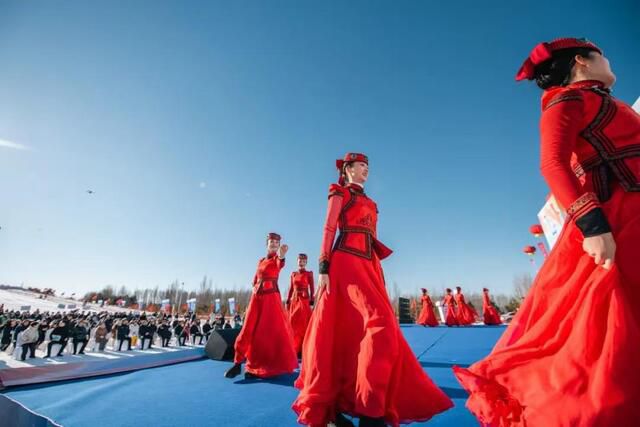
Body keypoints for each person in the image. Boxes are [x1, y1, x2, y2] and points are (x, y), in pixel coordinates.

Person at [454, 37, 640, 425]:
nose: (608, 58)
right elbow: (552, 164)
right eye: (601, 53)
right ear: (582, 61)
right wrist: (592, 225)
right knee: (599, 340)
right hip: (618, 219)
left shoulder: (608, 102)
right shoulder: (566, 100)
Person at [293, 153, 453, 427]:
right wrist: (323, 268)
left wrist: (379, 273)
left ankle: (357, 404)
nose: (366, 171)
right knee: (378, 323)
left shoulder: (371, 202)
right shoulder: (339, 193)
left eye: (368, 167)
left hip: (370, 266)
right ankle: (368, 411)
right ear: (348, 169)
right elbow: (329, 228)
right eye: (361, 166)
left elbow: (371, 238)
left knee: (368, 330)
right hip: (345, 264)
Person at [224, 233, 297, 380]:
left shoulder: (277, 259)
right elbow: (255, 277)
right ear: (267, 244)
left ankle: (260, 367)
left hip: (271, 299)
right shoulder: (261, 260)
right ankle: (238, 362)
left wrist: (282, 255)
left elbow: (280, 264)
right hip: (256, 297)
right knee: (248, 328)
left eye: (277, 243)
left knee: (265, 332)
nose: (274, 244)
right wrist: (254, 286)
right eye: (272, 242)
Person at [286, 253, 315, 355]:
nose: (301, 263)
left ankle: (303, 348)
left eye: (303, 261)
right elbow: (290, 288)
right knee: (293, 323)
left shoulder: (309, 274)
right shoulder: (293, 274)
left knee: (303, 324)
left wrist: (312, 300)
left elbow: (312, 288)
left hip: (304, 300)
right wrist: (287, 300)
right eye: (300, 261)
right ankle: (294, 347)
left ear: (306, 263)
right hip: (294, 299)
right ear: (297, 261)